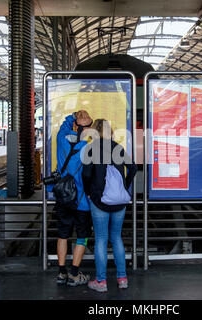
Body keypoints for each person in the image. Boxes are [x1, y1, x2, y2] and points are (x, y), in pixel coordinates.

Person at [82, 119, 137, 292]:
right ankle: (122, 279)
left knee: (101, 240)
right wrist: (124, 188)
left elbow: (86, 174)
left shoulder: (92, 149)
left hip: (100, 200)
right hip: (120, 201)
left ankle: (101, 282)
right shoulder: (118, 148)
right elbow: (133, 168)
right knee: (116, 238)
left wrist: (89, 191)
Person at [52, 110, 93, 287]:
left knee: (63, 235)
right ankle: (74, 274)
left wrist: (73, 116)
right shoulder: (87, 148)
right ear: (88, 129)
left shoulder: (61, 138)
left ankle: (61, 272)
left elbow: (64, 125)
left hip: (63, 198)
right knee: (82, 236)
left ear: (75, 124)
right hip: (81, 201)